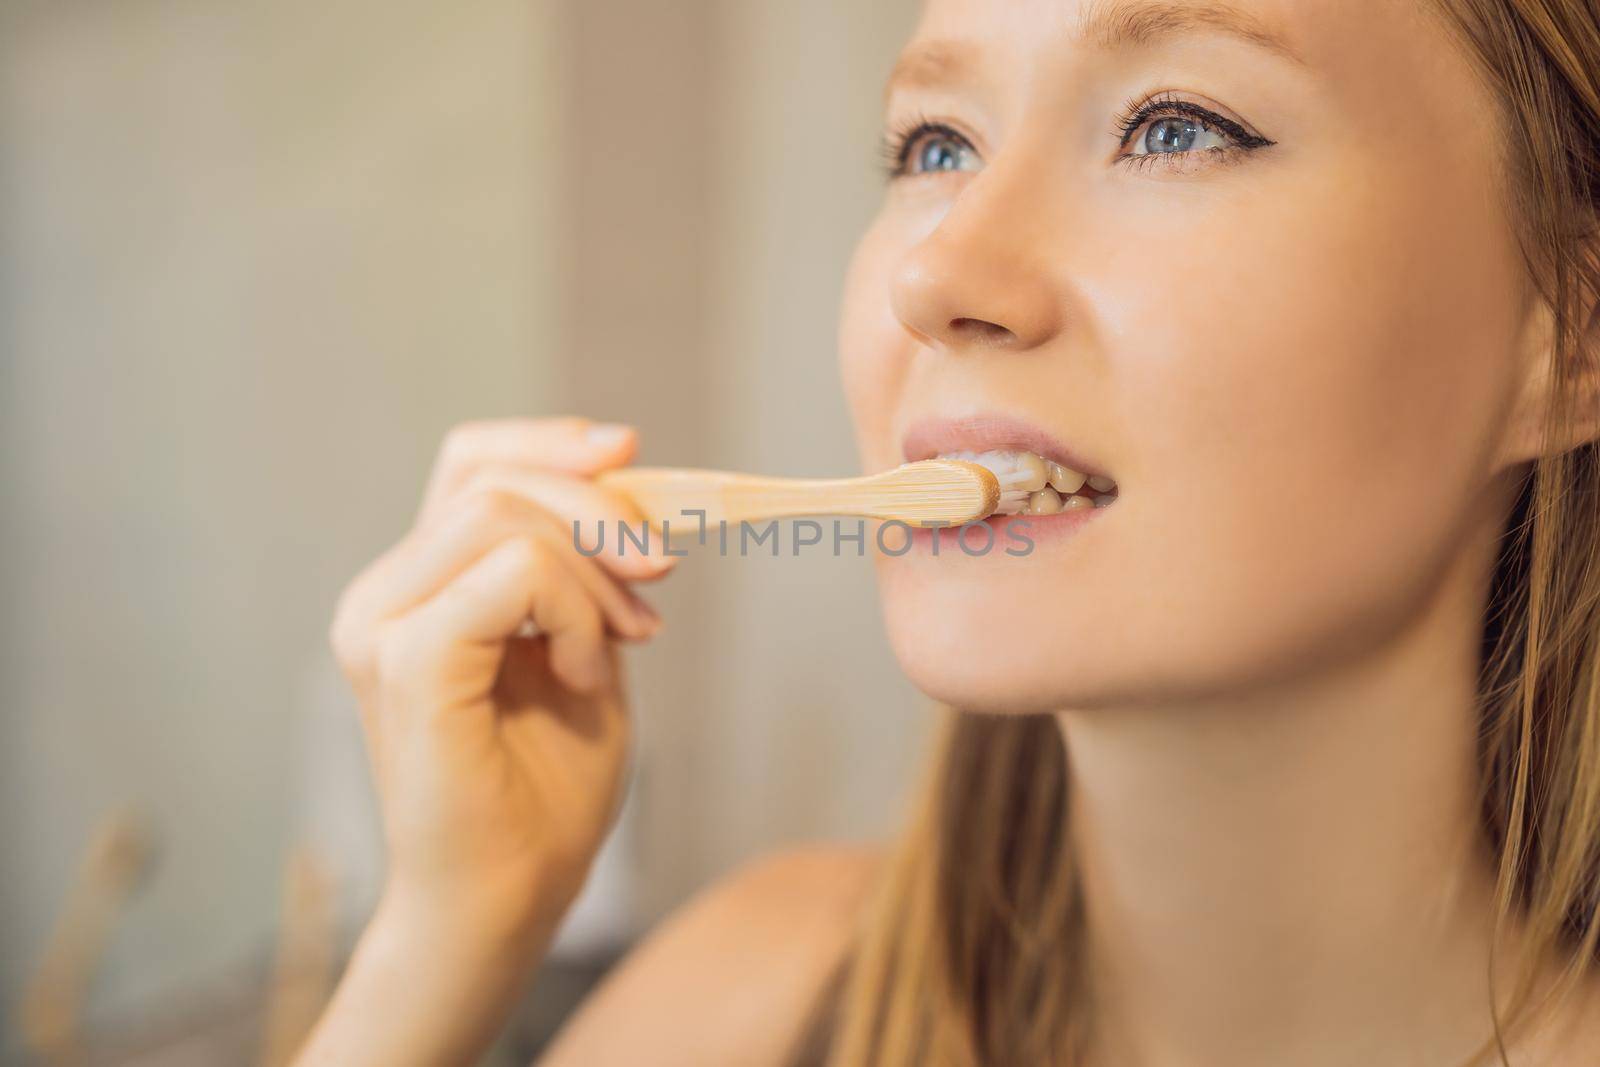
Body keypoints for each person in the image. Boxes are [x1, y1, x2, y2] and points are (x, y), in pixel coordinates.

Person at [293, 0, 1600, 1063]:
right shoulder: (742, 1009)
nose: (936, 275)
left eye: (1178, 126)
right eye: (934, 146)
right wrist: (439, 952)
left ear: (1572, 334)